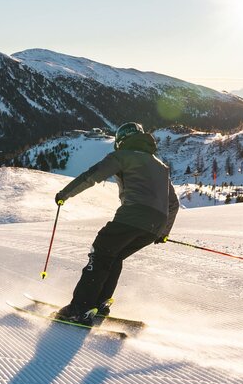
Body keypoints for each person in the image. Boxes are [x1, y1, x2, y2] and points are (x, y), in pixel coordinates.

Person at [53, 122, 179, 325]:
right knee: (114, 256)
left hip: (131, 217)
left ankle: (79, 309)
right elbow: (173, 203)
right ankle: (100, 304)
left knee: (101, 254)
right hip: (154, 226)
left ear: (121, 141)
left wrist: (64, 194)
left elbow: (92, 176)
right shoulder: (160, 166)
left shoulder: (122, 156)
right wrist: (163, 232)